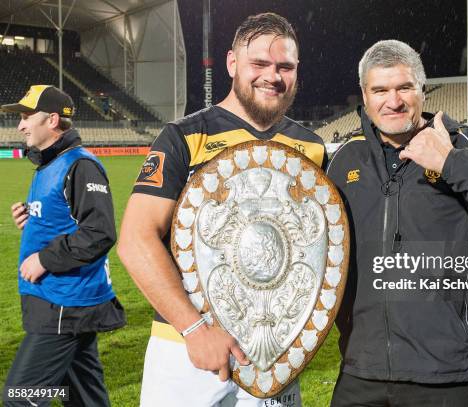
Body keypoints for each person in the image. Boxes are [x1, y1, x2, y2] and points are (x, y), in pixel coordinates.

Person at [326, 40, 468, 406]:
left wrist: (452, 163)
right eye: (380, 90)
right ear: (365, 96)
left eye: (404, 87)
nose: (393, 101)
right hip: (362, 368)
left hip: (449, 373)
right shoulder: (344, 161)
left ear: (422, 88)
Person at [117, 13, 326, 407]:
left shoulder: (312, 148)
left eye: (285, 66)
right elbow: (135, 239)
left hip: (275, 353)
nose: (273, 76)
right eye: (259, 64)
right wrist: (194, 329)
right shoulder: (184, 137)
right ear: (232, 64)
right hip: (186, 350)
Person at [2, 85, 126, 407]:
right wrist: (33, 219)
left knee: (20, 397)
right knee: (84, 397)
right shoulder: (48, 164)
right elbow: (65, 219)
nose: (21, 125)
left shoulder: (80, 165)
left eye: (28, 116)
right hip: (60, 302)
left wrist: (43, 258)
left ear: (53, 120)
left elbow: (99, 232)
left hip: (64, 305)